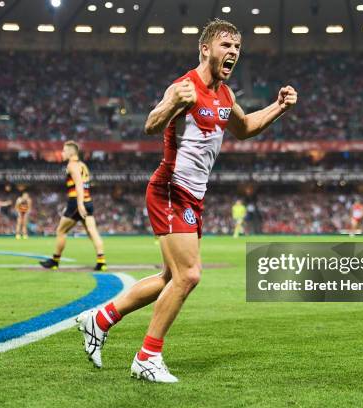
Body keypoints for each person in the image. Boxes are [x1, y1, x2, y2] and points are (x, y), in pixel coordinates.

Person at [76, 19, 297, 383]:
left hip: (194, 196)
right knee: (189, 275)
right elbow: (150, 124)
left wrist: (279, 107)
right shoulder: (185, 87)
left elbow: (245, 129)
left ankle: (99, 320)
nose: (234, 53)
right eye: (227, 45)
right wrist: (170, 106)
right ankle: (147, 356)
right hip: (170, 189)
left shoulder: (225, 95)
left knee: (170, 277)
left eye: (238, 47)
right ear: (205, 49)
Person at [39, 141, 106, 271]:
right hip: (88, 201)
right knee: (92, 232)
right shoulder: (83, 165)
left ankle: (55, 261)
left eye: (64, 151)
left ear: (71, 152)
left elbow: (79, 184)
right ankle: (101, 261)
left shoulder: (72, 165)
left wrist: (79, 204)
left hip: (76, 202)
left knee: (61, 231)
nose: (62, 153)